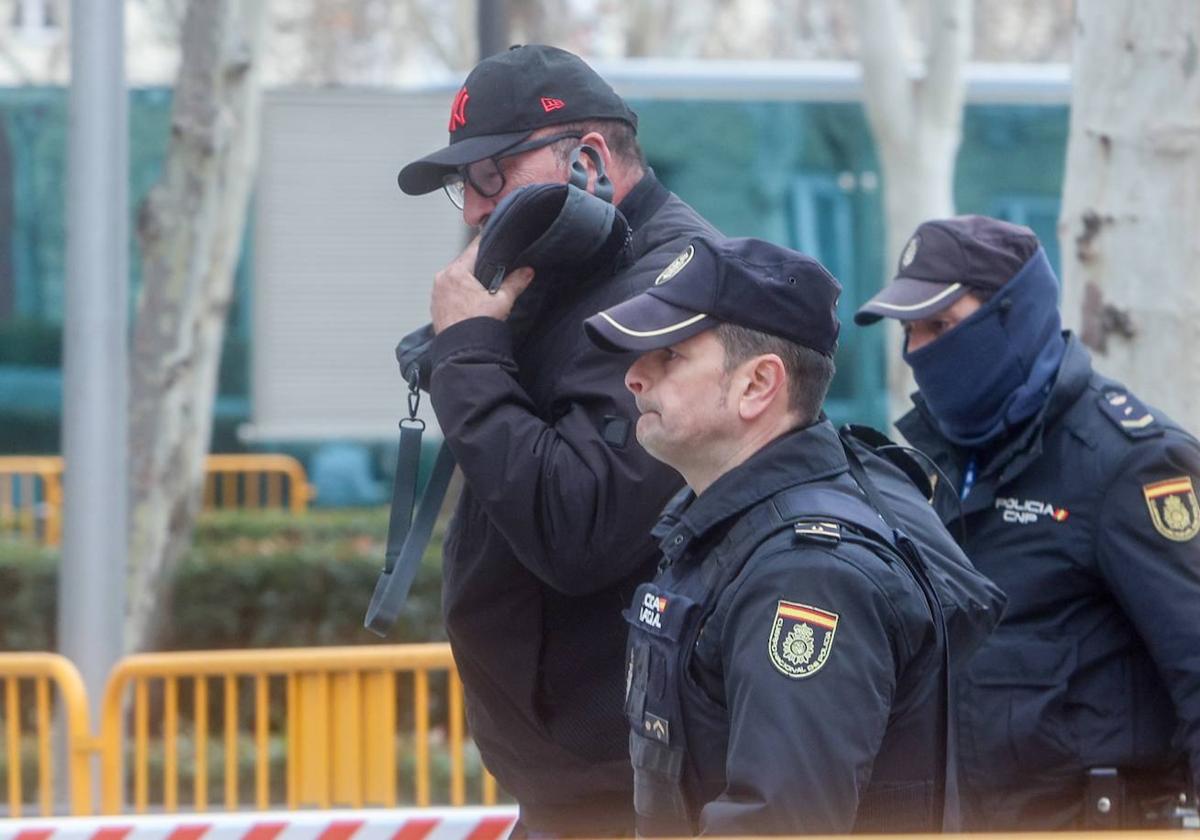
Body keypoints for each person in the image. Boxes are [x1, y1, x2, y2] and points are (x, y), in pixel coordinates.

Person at [395, 45, 718, 836]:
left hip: (642, 788)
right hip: (588, 779)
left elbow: (577, 526)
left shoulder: (672, 290)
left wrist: (469, 352)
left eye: (492, 173)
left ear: (589, 159)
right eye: (464, 184)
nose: (474, 207)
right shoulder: (572, 275)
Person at [582, 236, 1001, 835]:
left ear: (757, 385)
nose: (633, 377)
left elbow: (778, 823)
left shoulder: (807, 573)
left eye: (669, 355)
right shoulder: (729, 529)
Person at [855, 214, 1200, 830]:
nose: (919, 353)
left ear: (1015, 317)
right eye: (909, 331)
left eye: (941, 326)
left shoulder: (1132, 463)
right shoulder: (924, 464)